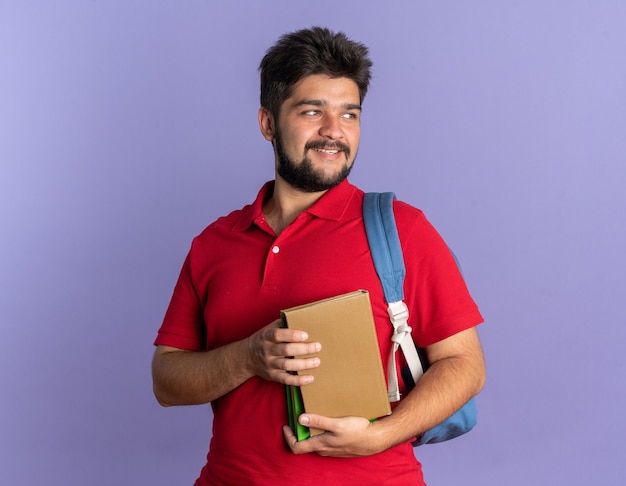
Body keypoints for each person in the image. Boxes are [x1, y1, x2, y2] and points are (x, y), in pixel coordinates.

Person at [152, 26, 485, 486]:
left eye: (350, 114)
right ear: (268, 123)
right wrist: (248, 357)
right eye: (313, 111)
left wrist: (382, 434)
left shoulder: (402, 228)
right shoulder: (214, 242)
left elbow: (465, 364)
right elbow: (166, 380)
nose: (334, 131)